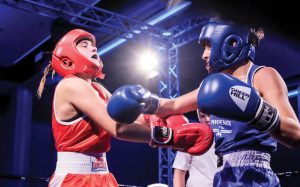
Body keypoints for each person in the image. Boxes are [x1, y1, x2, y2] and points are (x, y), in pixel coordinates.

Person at [107, 19, 300, 187]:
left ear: (231, 42)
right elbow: (172, 106)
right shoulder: (212, 86)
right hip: (222, 177)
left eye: (208, 45)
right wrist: (144, 99)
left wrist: (255, 110)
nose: (204, 55)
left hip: (255, 177)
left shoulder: (262, 75)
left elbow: (295, 134)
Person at [37, 28, 213, 187]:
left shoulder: (97, 88)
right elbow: (117, 127)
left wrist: (155, 118)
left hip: (102, 176)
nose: (93, 48)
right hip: (74, 179)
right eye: (85, 45)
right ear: (68, 59)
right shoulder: (71, 85)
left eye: (93, 45)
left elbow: (129, 115)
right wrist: (170, 136)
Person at [173, 112, 217, 187]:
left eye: (210, 115)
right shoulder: (191, 137)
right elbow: (179, 171)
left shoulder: (230, 137)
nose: (207, 119)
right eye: (202, 116)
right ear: (198, 118)